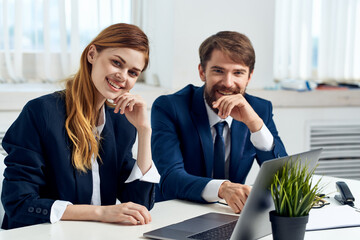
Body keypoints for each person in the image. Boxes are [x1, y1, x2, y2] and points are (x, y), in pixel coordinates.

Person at [1, 23, 160, 230]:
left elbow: (140, 205)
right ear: (92, 54)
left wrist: (144, 131)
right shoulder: (40, 113)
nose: (123, 76)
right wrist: (101, 213)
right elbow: (19, 203)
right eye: (116, 62)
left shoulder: (121, 122)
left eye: (133, 72)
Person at [151, 31, 287, 214]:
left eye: (238, 72)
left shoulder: (259, 109)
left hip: (230, 214)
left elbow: (283, 178)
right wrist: (222, 189)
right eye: (218, 71)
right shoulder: (170, 107)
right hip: (177, 211)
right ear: (202, 72)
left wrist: (255, 124)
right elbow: (170, 178)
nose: (228, 83)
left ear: (249, 76)